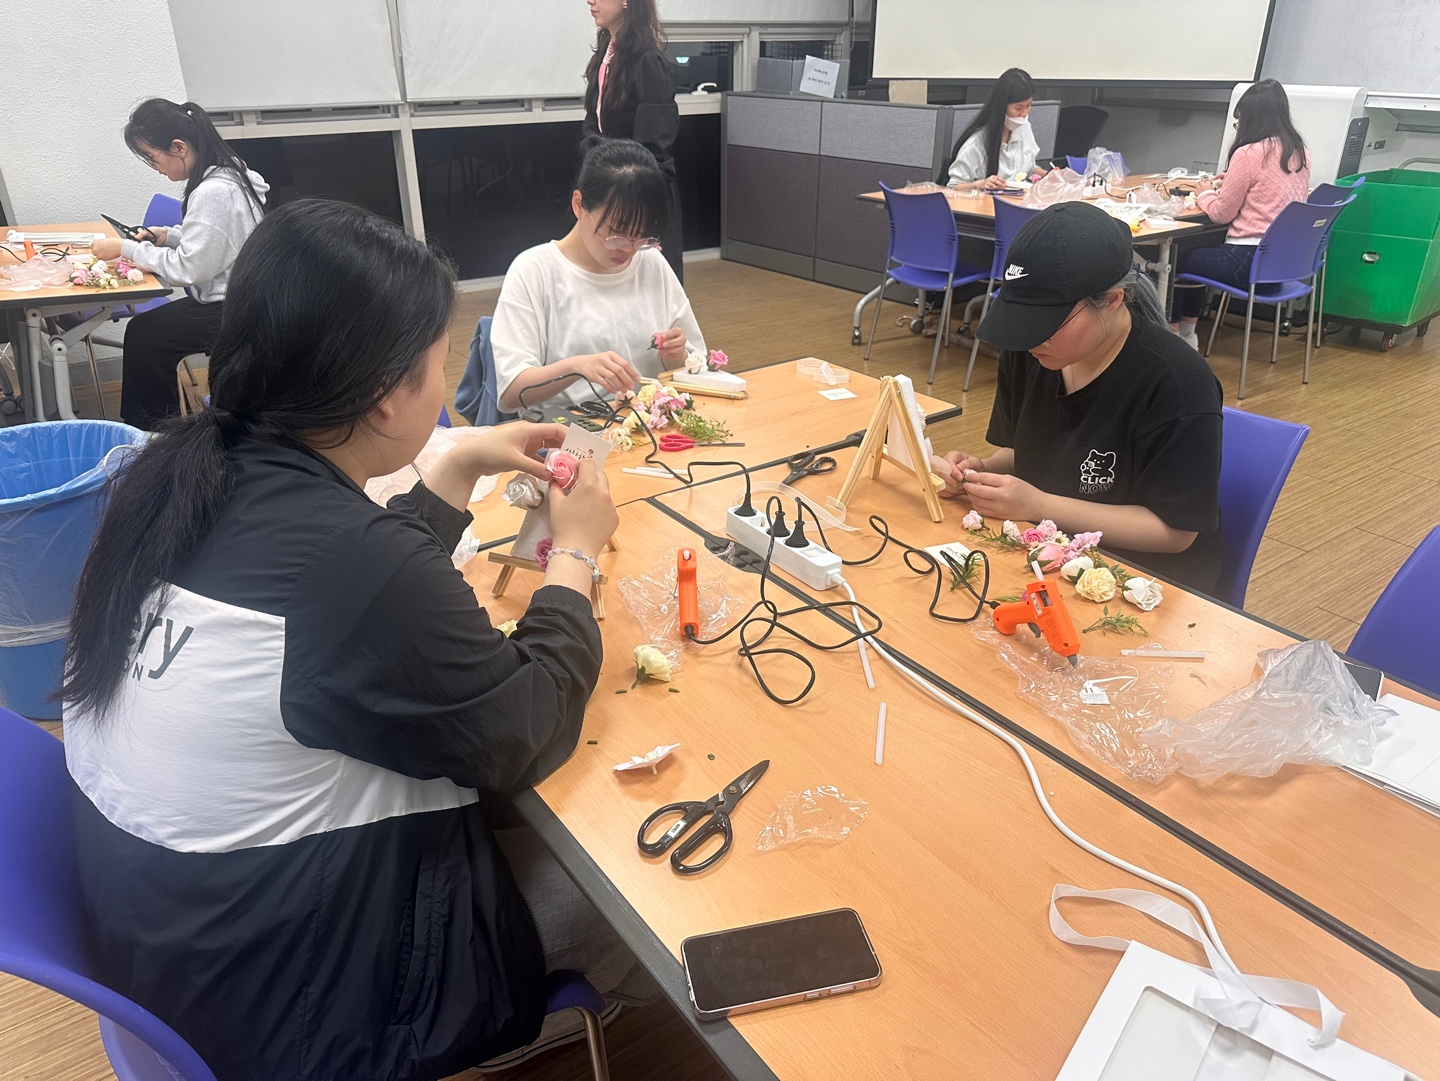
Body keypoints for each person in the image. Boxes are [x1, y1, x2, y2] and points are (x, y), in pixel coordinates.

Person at [62, 199, 637, 1081]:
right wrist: (576, 555)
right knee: (634, 889)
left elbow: (341, 608)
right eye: (440, 361)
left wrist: (453, 465)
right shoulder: (354, 565)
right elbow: (531, 724)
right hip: (302, 1009)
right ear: (386, 394)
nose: (445, 382)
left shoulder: (172, 479)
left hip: (169, 948)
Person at [934, 201, 1225, 594]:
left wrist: (1038, 505)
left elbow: (1175, 533)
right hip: (1051, 549)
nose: (1031, 338)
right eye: (1022, 319)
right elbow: (1032, 450)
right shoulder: (1032, 351)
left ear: (1112, 300)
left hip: (1144, 581)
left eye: (1049, 322)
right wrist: (983, 471)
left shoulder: (1177, 382)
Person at [90, 98, 268, 430]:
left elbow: (189, 269)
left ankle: (157, 433)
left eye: (153, 158)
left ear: (179, 147)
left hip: (235, 309)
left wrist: (126, 249)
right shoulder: (229, 173)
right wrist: (168, 236)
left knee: (147, 336)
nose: (156, 168)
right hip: (243, 297)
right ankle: (154, 428)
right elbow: (216, 239)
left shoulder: (214, 192)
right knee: (146, 332)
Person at [493, 138, 706, 413]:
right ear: (579, 205)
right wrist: (575, 367)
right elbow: (511, 394)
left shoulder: (650, 261)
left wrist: (675, 358)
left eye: (643, 236)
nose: (628, 249)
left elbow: (698, 368)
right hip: (567, 428)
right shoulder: (535, 270)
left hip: (648, 422)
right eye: (617, 233)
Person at [1171, 79, 1311, 348]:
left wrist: (1204, 193)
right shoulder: (1299, 151)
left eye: (1240, 121)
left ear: (1252, 120)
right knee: (1198, 252)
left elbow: (1221, 214)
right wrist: (1233, 180)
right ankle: (1188, 337)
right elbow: (1270, 188)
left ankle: (1176, 338)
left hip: (1245, 261)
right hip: (1281, 264)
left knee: (1174, 257)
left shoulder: (1248, 153)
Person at [582, 0, 685, 281]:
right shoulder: (607, 54)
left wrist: (646, 218)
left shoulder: (648, 61)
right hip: (610, 186)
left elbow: (654, 146)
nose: (590, 1)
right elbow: (594, 126)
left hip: (642, 191)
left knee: (645, 282)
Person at [946, 68, 1041, 191]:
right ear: (1001, 106)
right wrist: (979, 184)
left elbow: (1029, 168)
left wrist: (1051, 175)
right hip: (988, 202)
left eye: (1028, 106)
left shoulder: (1024, 127)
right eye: (1018, 108)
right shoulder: (976, 143)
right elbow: (953, 187)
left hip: (1018, 199)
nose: (1024, 113)